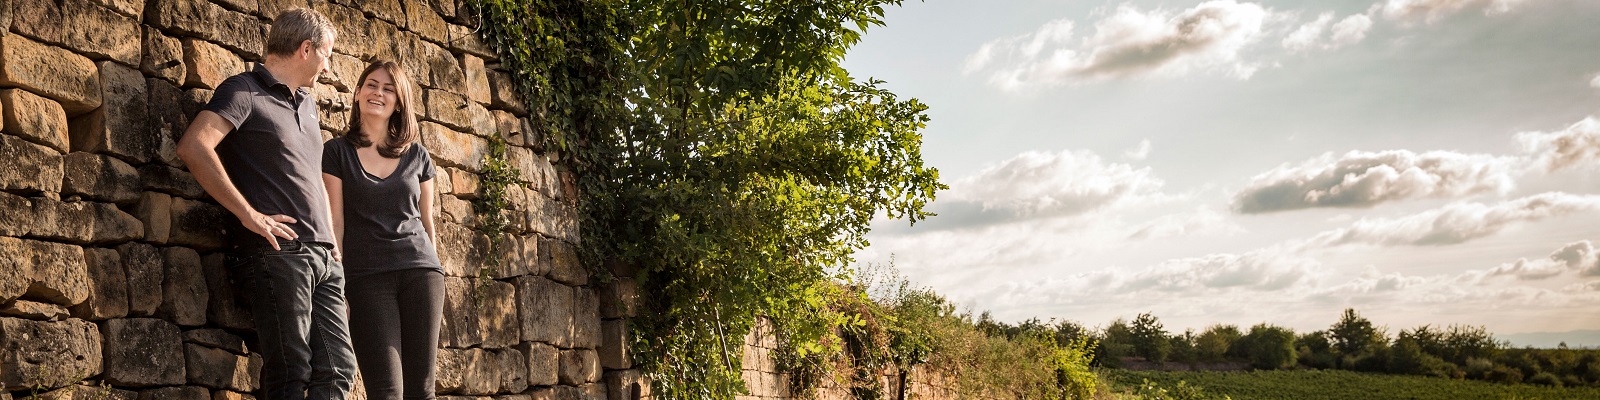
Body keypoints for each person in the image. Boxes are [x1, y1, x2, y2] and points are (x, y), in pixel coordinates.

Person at [175, 8, 356, 400]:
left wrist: (333, 244)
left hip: (326, 257)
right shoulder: (243, 91)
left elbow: (313, 178)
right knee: (291, 374)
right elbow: (193, 146)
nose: (329, 66)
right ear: (306, 49)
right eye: (327, 54)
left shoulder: (308, 105)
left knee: (339, 371)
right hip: (281, 253)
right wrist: (249, 214)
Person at [321, 60, 444, 400]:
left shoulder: (418, 156)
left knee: (422, 391)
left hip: (421, 275)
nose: (379, 93)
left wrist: (435, 268)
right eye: (372, 85)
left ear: (399, 102)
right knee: (386, 391)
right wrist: (339, 284)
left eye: (389, 89)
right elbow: (335, 224)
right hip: (367, 278)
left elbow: (427, 221)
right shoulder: (336, 152)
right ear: (358, 92)